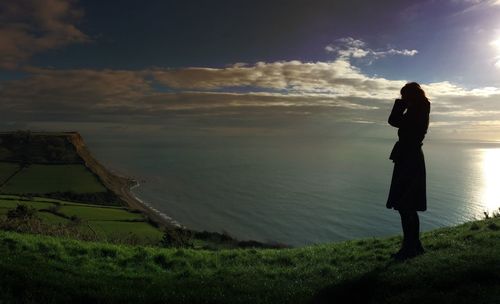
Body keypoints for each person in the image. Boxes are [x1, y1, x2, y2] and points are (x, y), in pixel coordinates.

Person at [387, 82, 430, 261]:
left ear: (412, 96)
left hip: (409, 158)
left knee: (406, 205)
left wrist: (399, 105)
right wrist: (403, 105)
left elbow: (394, 121)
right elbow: (397, 122)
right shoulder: (419, 109)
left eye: (405, 96)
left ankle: (409, 247)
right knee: (407, 205)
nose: (403, 99)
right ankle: (414, 245)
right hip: (408, 157)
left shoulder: (418, 110)